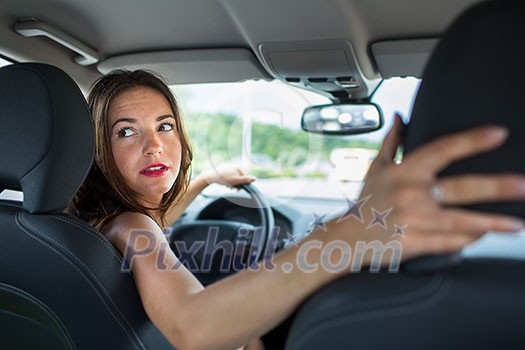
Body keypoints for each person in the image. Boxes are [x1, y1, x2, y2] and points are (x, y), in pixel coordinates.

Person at [68, 69, 525, 350]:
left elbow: (161, 225)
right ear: (96, 148)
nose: (154, 145)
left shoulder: (103, 222)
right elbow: (192, 328)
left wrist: (208, 181)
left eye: (165, 126)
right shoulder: (129, 225)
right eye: (126, 132)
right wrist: (349, 233)